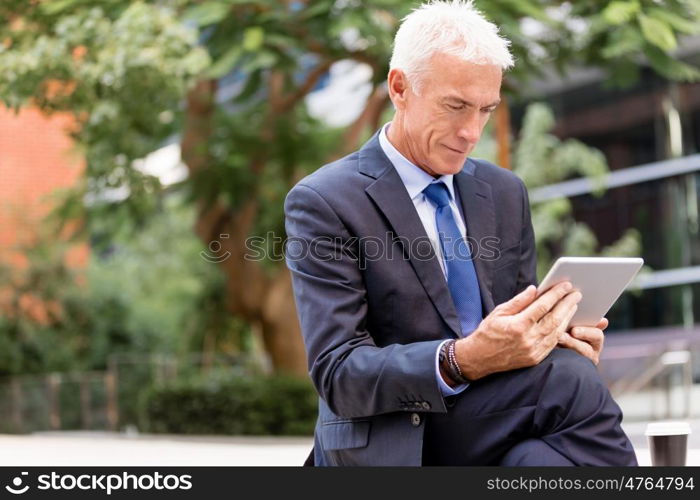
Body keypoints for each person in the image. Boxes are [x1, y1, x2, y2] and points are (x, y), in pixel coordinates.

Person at [284, 0, 637, 466]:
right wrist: (462, 358)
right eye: (455, 107)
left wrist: (550, 335)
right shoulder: (324, 201)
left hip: (499, 418)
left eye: (485, 110)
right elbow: (339, 373)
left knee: (541, 459)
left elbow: (514, 318)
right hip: (395, 433)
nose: (472, 132)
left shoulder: (504, 192)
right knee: (567, 380)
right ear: (399, 88)